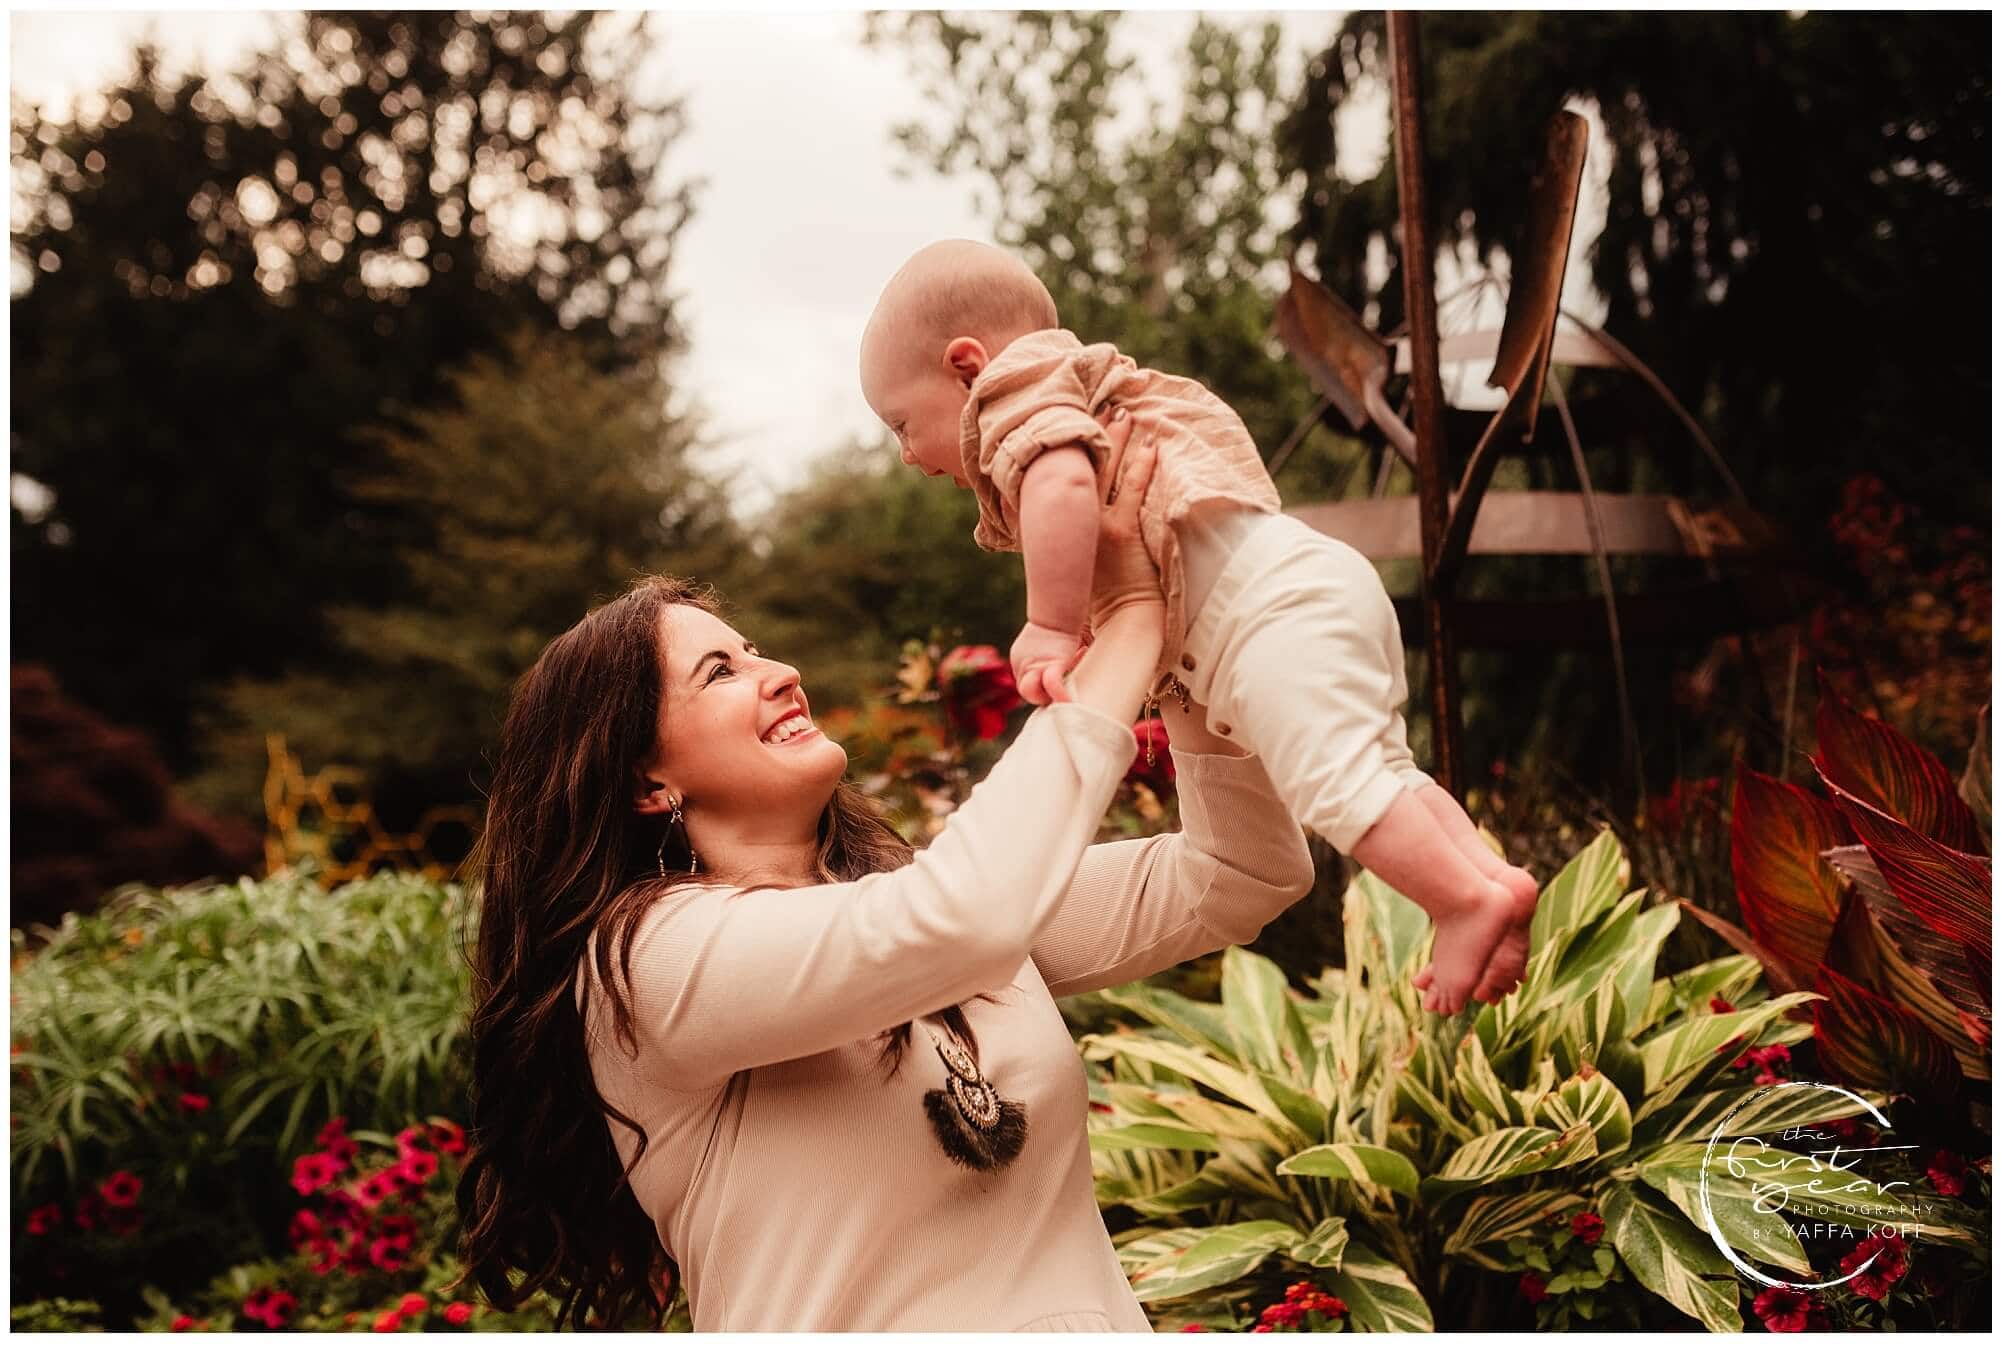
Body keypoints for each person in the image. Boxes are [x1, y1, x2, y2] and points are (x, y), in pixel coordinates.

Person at [456, 416, 1321, 1332]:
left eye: (756, 649)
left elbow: (1239, 872)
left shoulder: (915, 898)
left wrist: (1182, 675)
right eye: (720, 670)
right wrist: (1129, 621)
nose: (781, 673)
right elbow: (958, 922)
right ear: (644, 779)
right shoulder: (650, 964)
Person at [858, 238, 1540, 1017]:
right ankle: (1491, 884)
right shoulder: (1083, 389)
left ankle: (1458, 902)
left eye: (902, 423)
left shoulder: (1015, 390)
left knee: (1340, 783)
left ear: (966, 366)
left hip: (1266, 614)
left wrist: (1050, 624)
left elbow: (1065, 481)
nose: (908, 456)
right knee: (1383, 772)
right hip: (1302, 585)